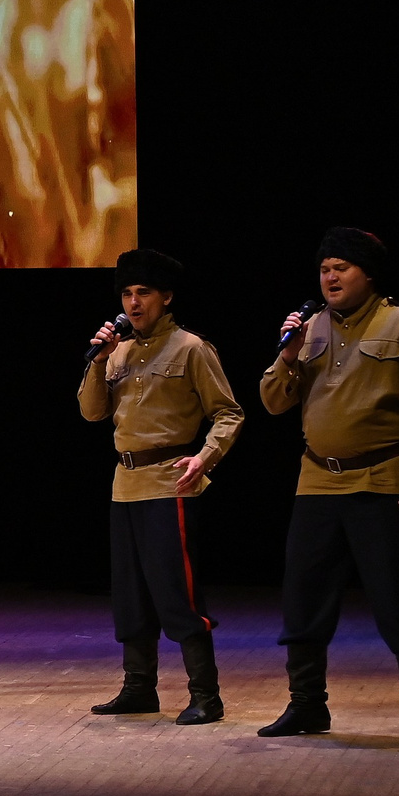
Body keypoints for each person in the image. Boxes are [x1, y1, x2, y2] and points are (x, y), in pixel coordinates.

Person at [256, 227, 399, 746]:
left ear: (368, 273)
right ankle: (306, 705)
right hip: (317, 480)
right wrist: (289, 354)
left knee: (394, 598)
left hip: (381, 480)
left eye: (341, 266)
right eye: (324, 268)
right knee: (303, 597)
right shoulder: (309, 328)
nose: (330, 276)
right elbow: (274, 402)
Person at [76, 248, 243, 725]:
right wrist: (97, 360)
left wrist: (205, 457)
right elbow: (92, 412)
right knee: (129, 593)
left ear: (166, 297)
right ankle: (138, 688)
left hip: (170, 482)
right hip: (123, 484)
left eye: (143, 293)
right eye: (127, 293)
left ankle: (206, 694)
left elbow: (229, 412)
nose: (133, 302)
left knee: (177, 592)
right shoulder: (119, 350)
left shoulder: (191, 348)